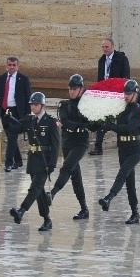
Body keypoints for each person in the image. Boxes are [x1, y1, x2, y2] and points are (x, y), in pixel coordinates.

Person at [7, 92, 60, 231]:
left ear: (43, 105)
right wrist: (7, 120)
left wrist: (52, 164)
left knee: (34, 188)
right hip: (33, 160)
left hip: (44, 160)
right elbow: (16, 129)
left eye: (36, 104)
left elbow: (56, 145)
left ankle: (22, 210)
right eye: (32, 104)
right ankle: (47, 220)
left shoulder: (51, 121)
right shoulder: (29, 120)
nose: (33, 107)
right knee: (39, 192)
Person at [97, 79, 140, 224]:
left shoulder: (139, 112)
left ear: (135, 94)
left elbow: (129, 128)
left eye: (129, 93)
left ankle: (109, 197)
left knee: (122, 174)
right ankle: (135, 213)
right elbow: (106, 122)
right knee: (130, 182)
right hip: (122, 149)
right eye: (125, 93)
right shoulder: (120, 109)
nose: (126, 96)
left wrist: (111, 127)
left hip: (135, 149)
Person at [47, 75, 92, 220]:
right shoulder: (64, 105)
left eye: (75, 89)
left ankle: (52, 193)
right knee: (75, 177)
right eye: (70, 89)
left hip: (80, 142)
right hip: (67, 141)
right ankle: (84, 209)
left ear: (81, 89)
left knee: (67, 166)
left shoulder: (88, 105)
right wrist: (83, 125)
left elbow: (93, 124)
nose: (72, 92)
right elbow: (66, 122)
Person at [0, 56, 32, 171]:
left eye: (14, 65)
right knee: (10, 136)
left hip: (16, 112)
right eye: (10, 65)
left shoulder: (23, 79)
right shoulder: (2, 78)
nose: (12, 67)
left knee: (12, 137)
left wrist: (29, 115)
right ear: (6, 65)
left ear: (17, 66)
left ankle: (8, 163)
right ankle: (18, 161)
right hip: (4, 111)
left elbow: (29, 97)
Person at [91, 38, 131, 155]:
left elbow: (125, 77)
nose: (104, 49)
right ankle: (98, 146)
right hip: (105, 94)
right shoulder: (101, 60)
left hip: (117, 93)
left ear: (113, 46)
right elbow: (100, 78)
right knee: (101, 120)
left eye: (107, 47)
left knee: (120, 120)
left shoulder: (121, 59)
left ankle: (121, 144)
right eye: (103, 47)